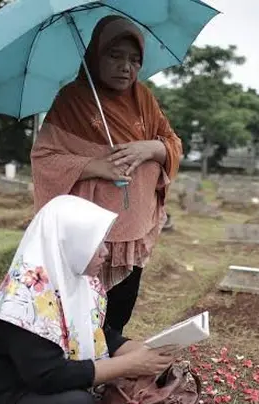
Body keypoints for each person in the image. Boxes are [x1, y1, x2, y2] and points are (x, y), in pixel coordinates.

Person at [0, 195, 177, 404]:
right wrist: (128, 365)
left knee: (88, 400)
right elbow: (50, 375)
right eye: (96, 244)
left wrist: (144, 351)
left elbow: (100, 334)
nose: (105, 252)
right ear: (67, 242)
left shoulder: (82, 281)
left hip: (32, 393)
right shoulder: (26, 295)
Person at [31, 15, 183, 335]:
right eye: (114, 56)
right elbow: (45, 157)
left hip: (133, 229)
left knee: (119, 311)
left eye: (134, 59)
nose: (125, 67)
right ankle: (81, 369)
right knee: (81, 311)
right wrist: (95, 166)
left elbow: (171, 143)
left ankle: (108, 368)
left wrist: (148, 149)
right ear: (94, 56)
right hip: (91, 233)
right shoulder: (72, 100)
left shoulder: (144, 98)